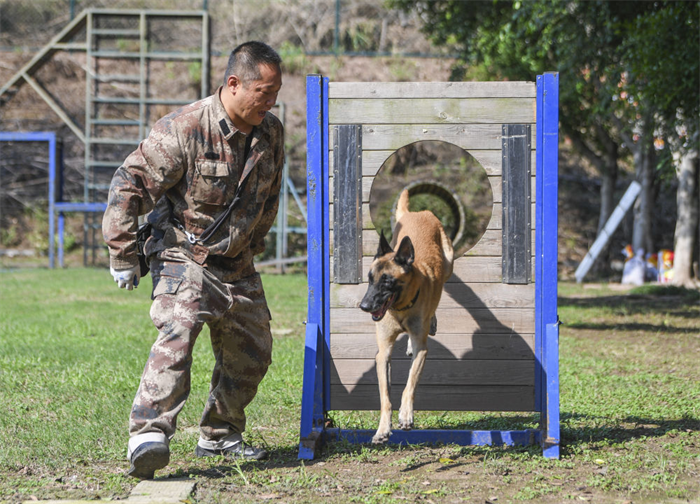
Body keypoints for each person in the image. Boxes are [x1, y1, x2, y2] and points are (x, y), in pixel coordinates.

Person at [102, 41, 284, 480]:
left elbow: (269, 197)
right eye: (264, 90)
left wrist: (251, 248)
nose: (271, 101)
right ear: (234, 83)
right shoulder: (185, 128)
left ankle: (220, 434)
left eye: (276, 92)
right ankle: (147, 434)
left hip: (237, 262)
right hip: (185, 254)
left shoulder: (271, 132)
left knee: (254, 351)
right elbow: (130, 184)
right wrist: (123, 252)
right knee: (179, 327)